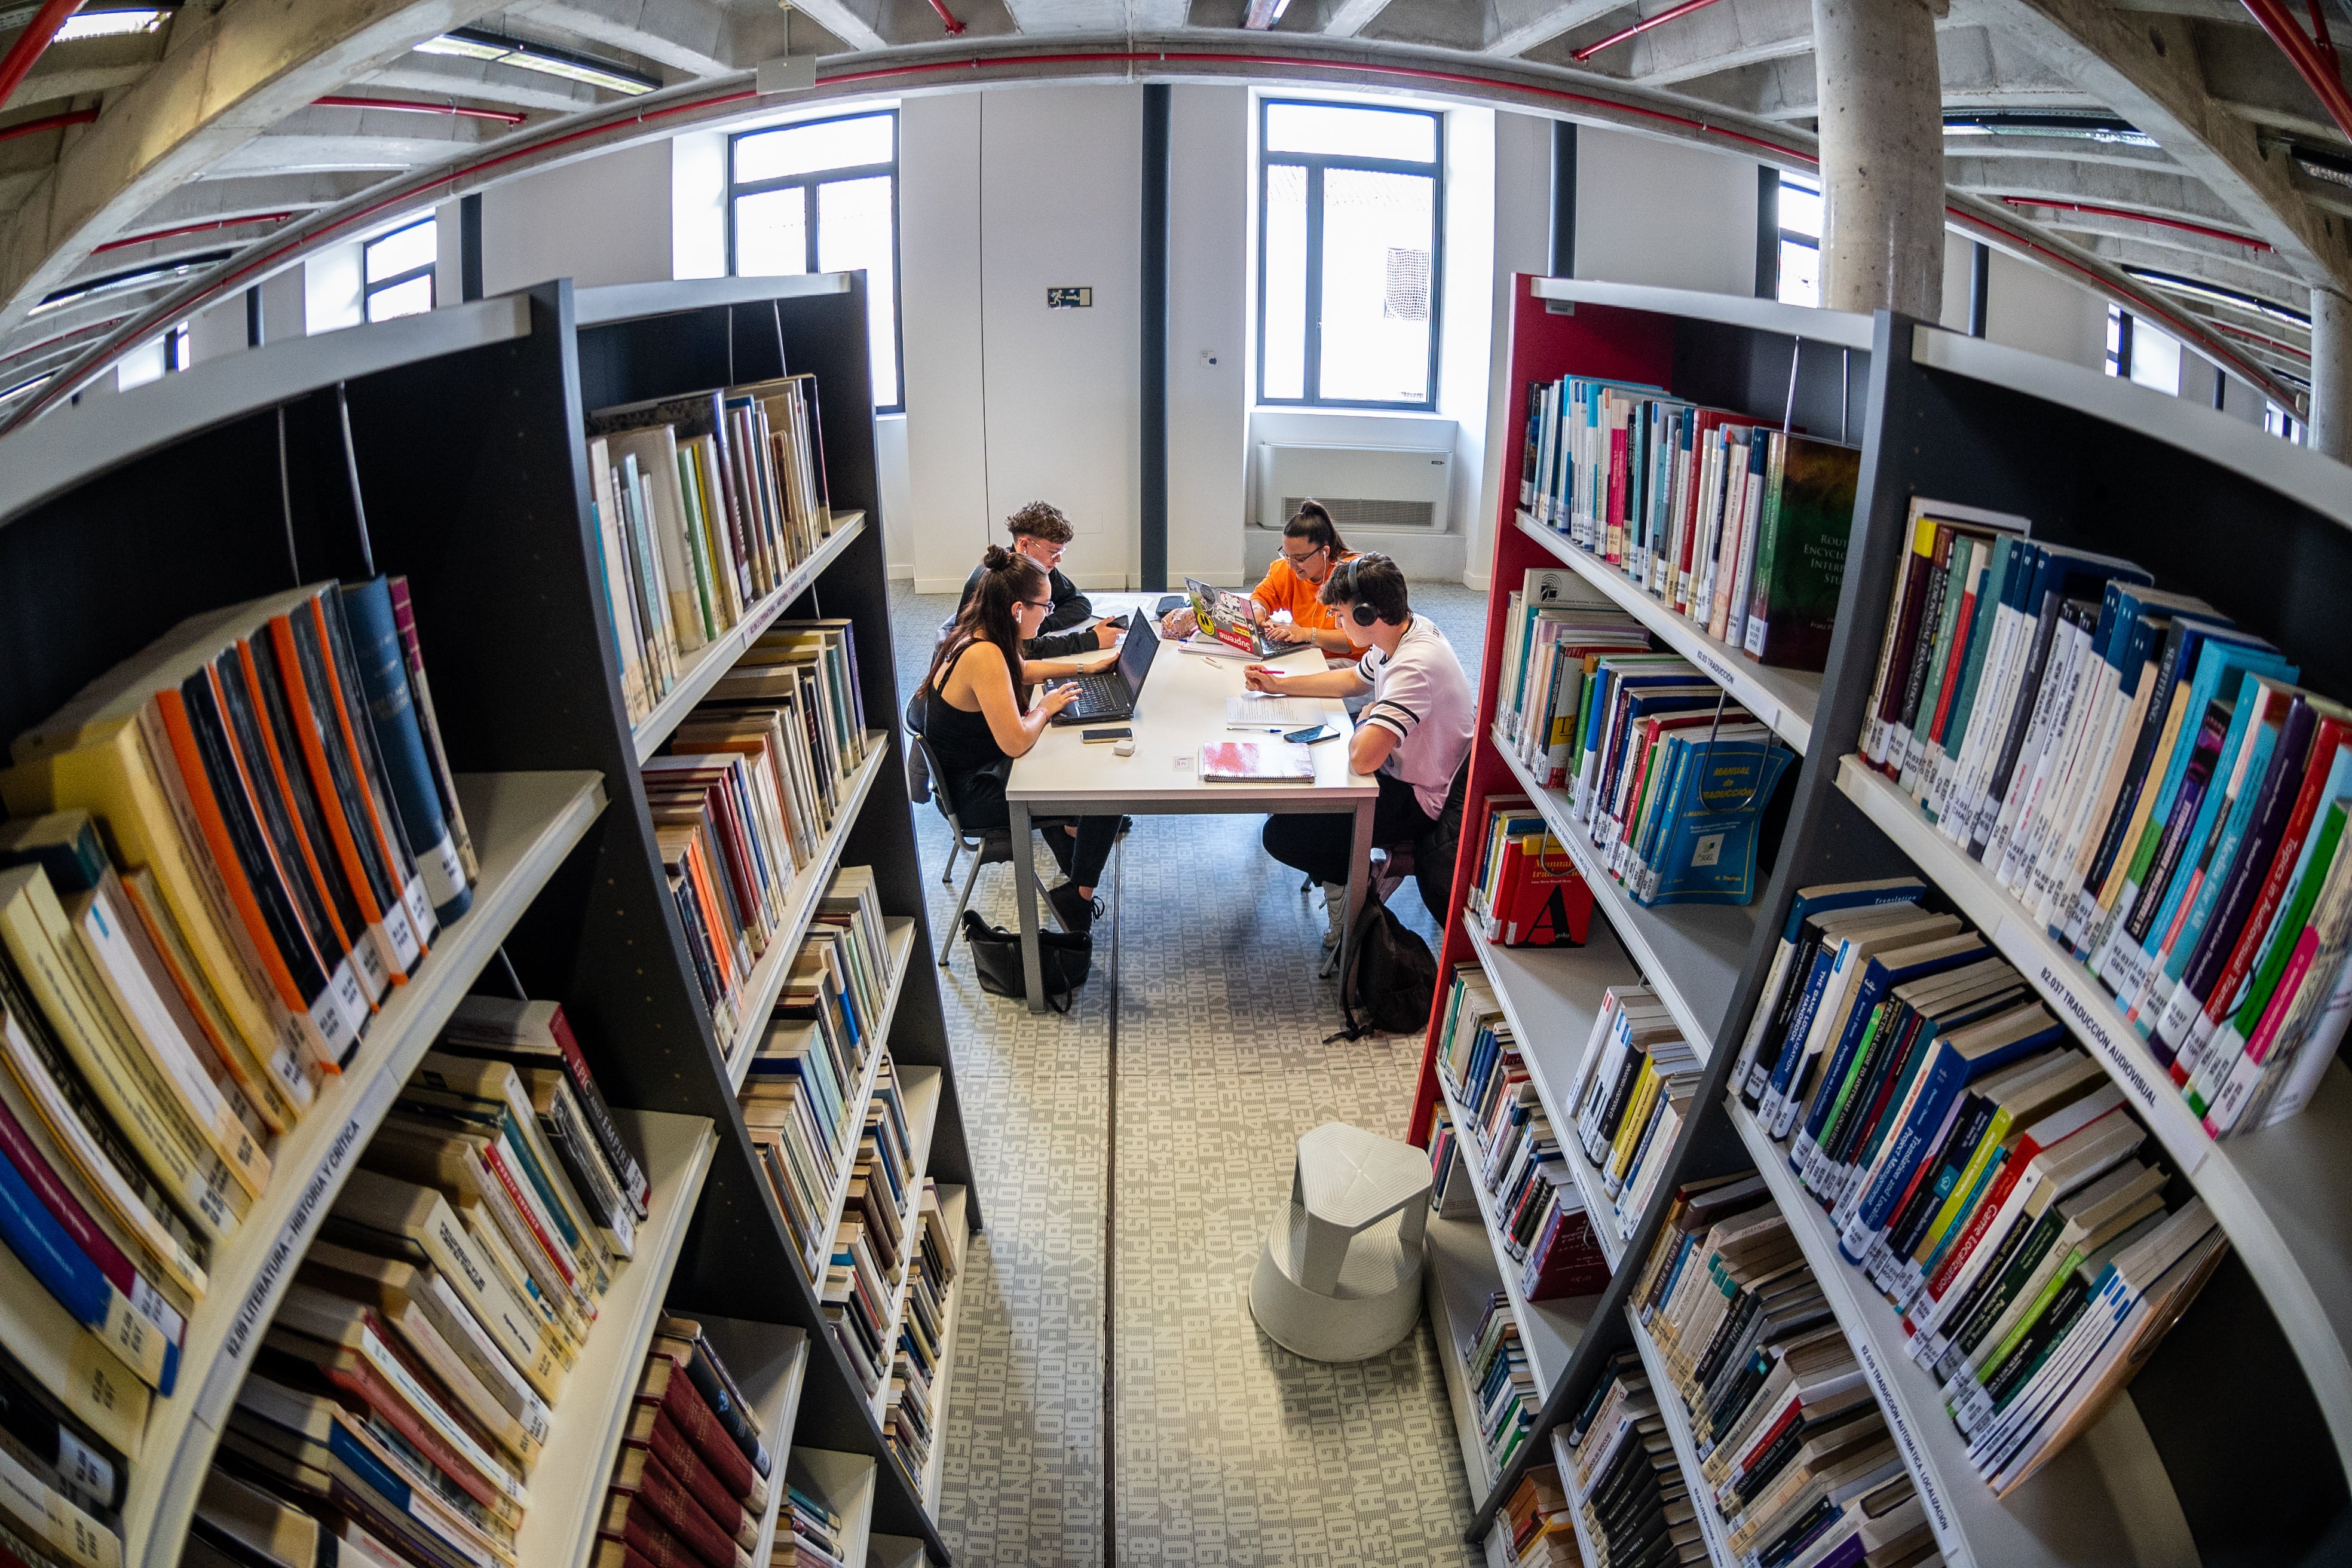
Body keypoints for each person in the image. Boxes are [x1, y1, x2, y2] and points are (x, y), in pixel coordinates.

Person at [1246, 553, 1474, 947]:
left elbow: (1362, 757)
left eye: (1339, 614)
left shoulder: (1413, 666)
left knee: (1284, 834)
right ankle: (1349, 879)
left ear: (1368, 615)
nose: (1335, 623)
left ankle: (1355, 895)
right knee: (1293, 802)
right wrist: (1279, 685)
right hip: (1401, 772)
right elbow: (1354, 679)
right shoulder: (1405, 632)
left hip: (1419, 797)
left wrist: (1369, 718)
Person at [922, 546, 1119, 937]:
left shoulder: (980, 632)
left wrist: (1087, 665)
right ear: (1017, 608)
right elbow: (1015, 743)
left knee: (1085, 758)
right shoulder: (985, 655)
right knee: (1109, 785)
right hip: (979, 794)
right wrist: (1045, 708)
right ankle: (1076, 898)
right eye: (1044, 607)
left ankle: (1071, 838)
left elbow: (1024, 669)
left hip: (977, 771)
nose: (1048, 614)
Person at [1159, 500, 1358, 654]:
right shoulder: (1286, 569)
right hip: (1310, 651)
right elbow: (1261, 596)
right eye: (1286, 555)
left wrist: (1307, 634)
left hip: (1347, 663)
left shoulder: (1352, 576)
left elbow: (1357, 642)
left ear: (1324, 551)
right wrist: (1258, 610)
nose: (1291, 565)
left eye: (1299, 558)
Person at [958, 501, 1120, 660]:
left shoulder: (1035, 568)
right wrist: (1091, 640)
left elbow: (1080, 604)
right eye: (1053, 552)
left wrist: (1041, 624)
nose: (1058, 560)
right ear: (1025, 545)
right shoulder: (1002, 580)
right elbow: (1023, 650)